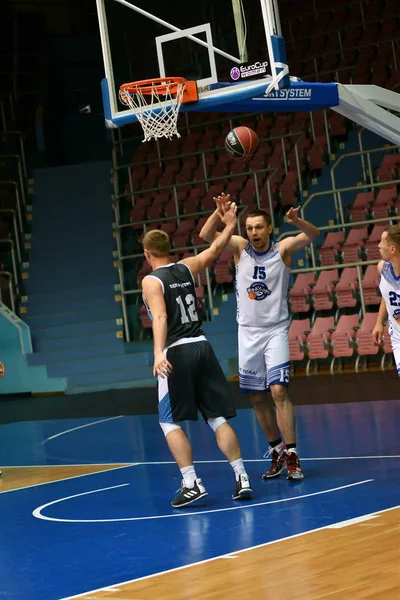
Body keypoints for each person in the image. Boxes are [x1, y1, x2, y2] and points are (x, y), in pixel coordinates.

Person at [200, 193, 320, 481]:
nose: (253, 232)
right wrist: (219, 213)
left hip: (275, 329)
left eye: (258, 227)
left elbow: (314, 235)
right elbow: (205, 235)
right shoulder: (240, 247)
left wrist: (297, 220)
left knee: (278, 391)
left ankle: (292, 454)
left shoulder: (283, 249)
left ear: (269, 229)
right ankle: (276, 449)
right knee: (256, 397)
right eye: (249, 227)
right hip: (248, 333)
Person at [141, 201, 252, 508]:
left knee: (168, 421)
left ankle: (191, 483)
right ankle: (242, 477)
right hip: (202, 345)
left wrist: (157, 353)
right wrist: (229, 223)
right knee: (216, 417)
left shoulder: (151, 280)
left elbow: (160, 318)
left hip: (176, 351)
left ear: (148, 253)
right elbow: (215, 251)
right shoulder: (186, 266)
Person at [372, 224, 400, 374]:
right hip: (398, 338)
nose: (379, 246)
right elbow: (386, 295)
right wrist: (379, 322)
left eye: (382, 242)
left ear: (392, 249)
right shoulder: (382, 268)